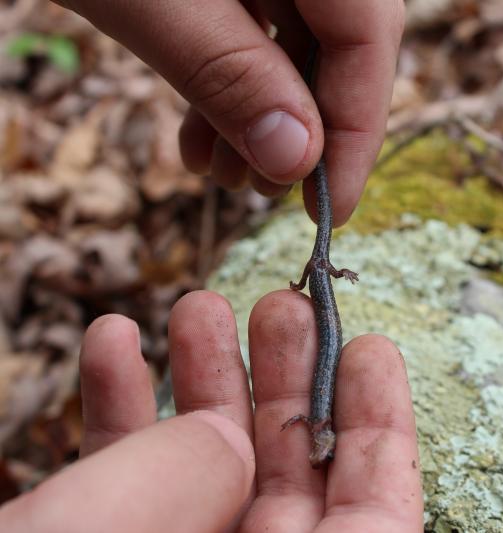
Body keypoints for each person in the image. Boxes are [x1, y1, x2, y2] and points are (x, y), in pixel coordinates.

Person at [0, 1, 423, 531]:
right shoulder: (316, 422)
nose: (319, 454)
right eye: (321, 450)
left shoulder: (316, 421)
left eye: (321, 452)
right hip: (319, 271)